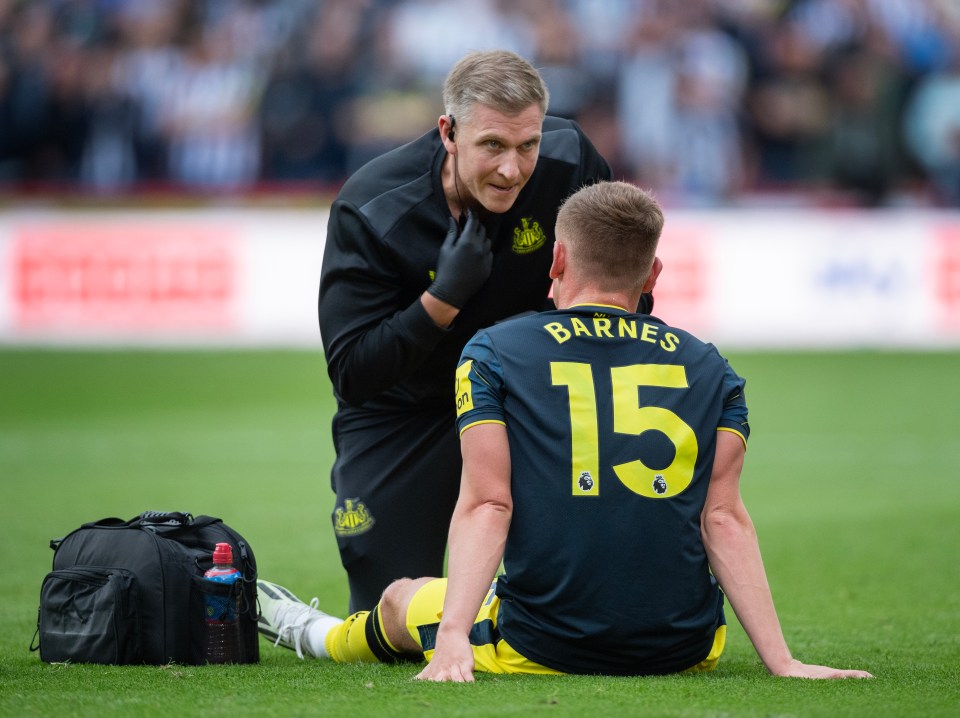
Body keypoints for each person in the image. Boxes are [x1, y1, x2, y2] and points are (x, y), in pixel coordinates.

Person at [259, 180, 874, 681]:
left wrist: (452, 642)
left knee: (398, 596)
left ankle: (312, 634)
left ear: (557, 259)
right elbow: (724, 518)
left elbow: (488, 502)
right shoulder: (711, 366)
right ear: (652, 273)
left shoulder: (494, 350)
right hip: (687, 647)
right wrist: (783, 662)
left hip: (542, 643)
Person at [317, 49, 616, 613]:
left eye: (527, 145)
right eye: (493, 146)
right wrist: (442, 299)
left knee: (592, 612)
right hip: (406, 411)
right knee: (391, 617)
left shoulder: (570, 162)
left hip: (529, 400)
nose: (512, 169)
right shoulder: (372, 208)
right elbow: (355, 373)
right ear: (448, 132)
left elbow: (627, 292)